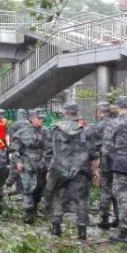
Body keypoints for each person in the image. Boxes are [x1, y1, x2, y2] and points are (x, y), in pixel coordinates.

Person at [46, 102, 98, 240]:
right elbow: (93, 153)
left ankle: (56, 227)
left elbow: (49, 152)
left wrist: (49, 170)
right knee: (82, 200)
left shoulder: (55, 130)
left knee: (59, 197)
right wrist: (95, 171)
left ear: (64, 112)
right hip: (81, 171)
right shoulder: (86, 130)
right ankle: (82, 231)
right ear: (77, 113)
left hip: (60, 170)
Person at [9, 108, 51, 224]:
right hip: (26, 163)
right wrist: (18, 162)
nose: (42, 120)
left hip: (41, 164)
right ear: (32, 119)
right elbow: (14, 149)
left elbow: (50, 149)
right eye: (39, 118)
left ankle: (35, 207)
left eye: (43, 118)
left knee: (39, 187)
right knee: (27, 188)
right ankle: (28, 212)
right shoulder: (22, 133)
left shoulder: (46, 132)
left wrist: (47, 164)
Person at [103, 96, 127, 243]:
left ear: (118, 106)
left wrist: (104, 168)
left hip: (121, 163)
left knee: (122, 196)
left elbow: (107, 147)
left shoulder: (115, 123)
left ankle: (124, 230)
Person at [93, 101, 120, 229]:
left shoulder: (98, 126)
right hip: (121, 161)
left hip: (106, 161)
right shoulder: (119, 123)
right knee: (119, 189)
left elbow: (94, 146)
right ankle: (119, 218)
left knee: (105, 188)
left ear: (100, 112)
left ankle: (104, 219)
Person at [6, 109, 31, 191]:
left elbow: (12, 138)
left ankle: (10, 183)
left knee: (14, 167)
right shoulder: (29, 124)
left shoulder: (14, 125)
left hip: (17, 148)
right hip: (28, 150)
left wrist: (11, 148)